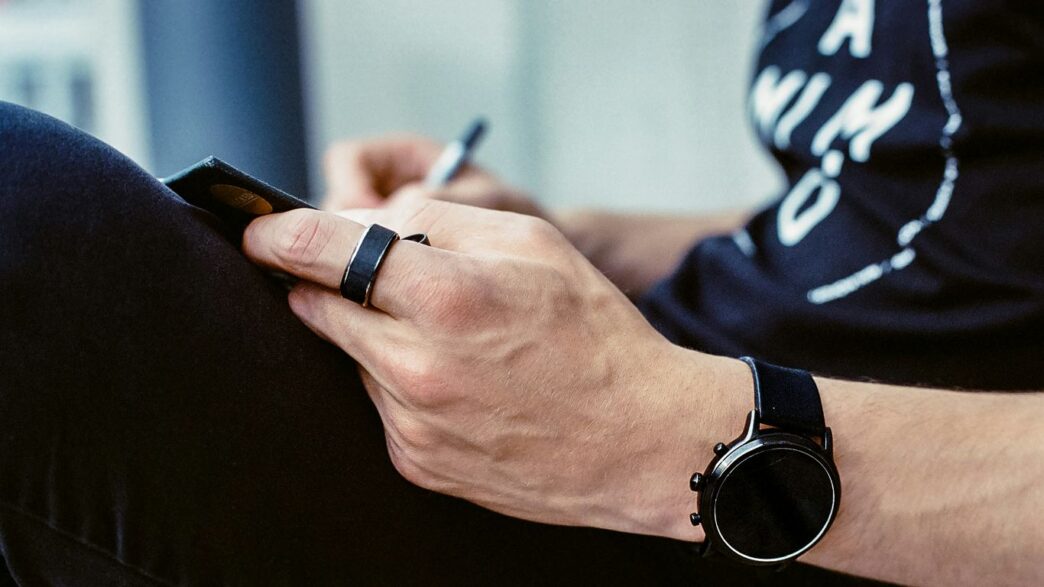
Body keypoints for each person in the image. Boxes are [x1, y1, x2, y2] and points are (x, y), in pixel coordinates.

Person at [1, 2, 1041, 586]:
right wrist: (566, 241)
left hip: (817, 518)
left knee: (28, 222)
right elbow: (887, 204)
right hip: (689, 389)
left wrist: (654, 432)